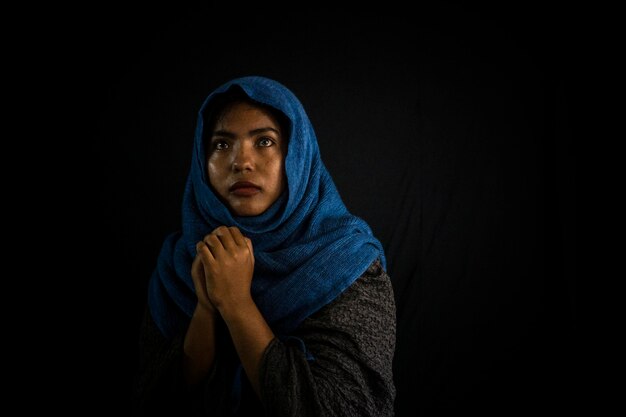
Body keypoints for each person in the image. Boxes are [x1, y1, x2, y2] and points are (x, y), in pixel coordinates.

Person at [132, 76, 396, 416]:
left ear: (297, 155)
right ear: (202, 163)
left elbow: (349, 408)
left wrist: (237, 304)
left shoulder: (350, 264)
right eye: (222, 145)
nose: (242, 161)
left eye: (265, 142)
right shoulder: (179, 264)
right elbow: (152, 402)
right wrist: (207, 308)